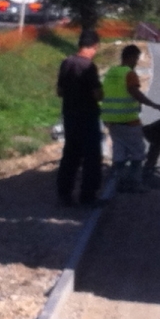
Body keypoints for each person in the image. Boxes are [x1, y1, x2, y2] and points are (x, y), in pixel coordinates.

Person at [102, 44, 160, 192]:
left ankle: (114, 183)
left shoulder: (112, 72)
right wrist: (154, 105)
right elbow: (135, 92)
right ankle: (135, 183)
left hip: (112, 121)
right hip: (128, 121)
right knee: (138, 152)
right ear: (131, 57)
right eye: (136, 59)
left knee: (119, 152)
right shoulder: (129, 74)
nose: (136, 62)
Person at [55, 30, 105, 206]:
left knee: (70, 155)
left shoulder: (66, 63)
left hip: (70, 115)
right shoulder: (88, 67)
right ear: (94, 46)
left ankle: (64, 194)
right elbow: (97, 94)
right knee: (92, 157)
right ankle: (88, 196)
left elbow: (59, 91)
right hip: (87, 116)